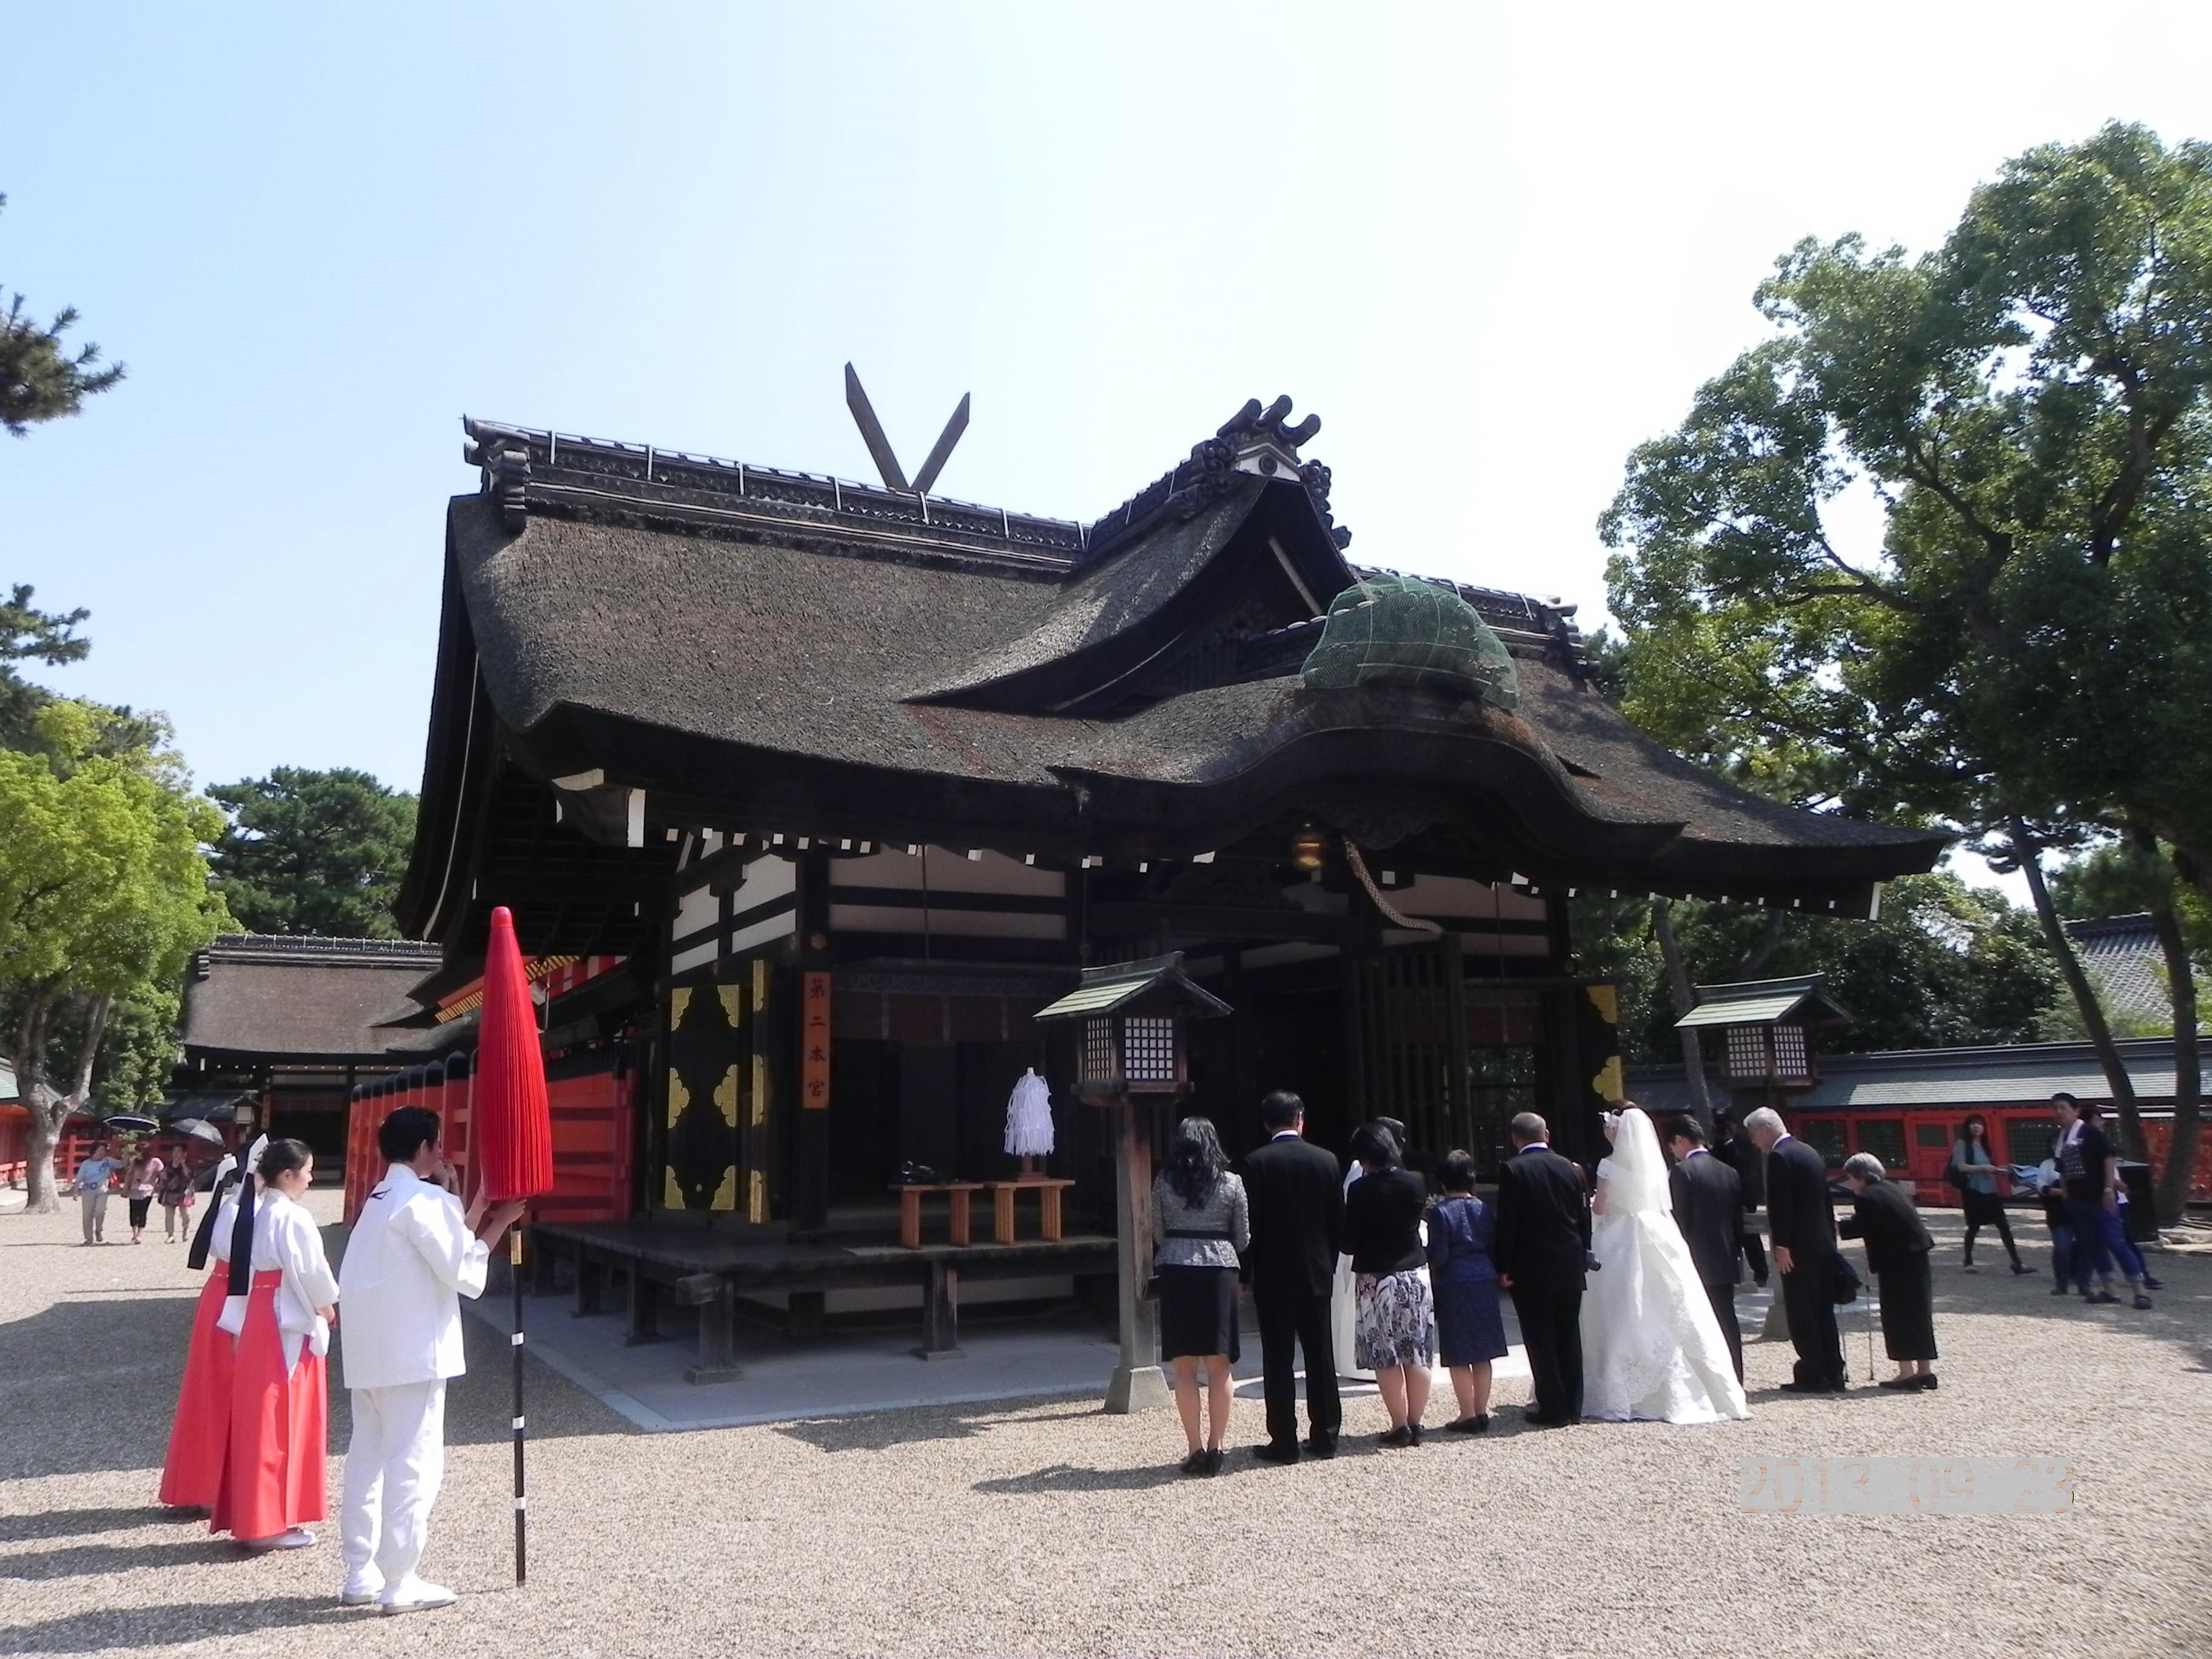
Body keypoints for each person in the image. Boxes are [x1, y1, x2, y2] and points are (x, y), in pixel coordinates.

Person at [338, 1106, 525, 1614]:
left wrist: (477, 1203)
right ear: (424, 1147)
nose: (442, 1152)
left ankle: (361, 1570)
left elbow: (441, 1249)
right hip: (412, 1351)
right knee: (413, 1462)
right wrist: (501, 1221)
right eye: (438, 1143)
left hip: (370, 1350)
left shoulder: (380, 1201)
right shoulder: (423, 1200)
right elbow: (463, 1272)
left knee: (368, 1458)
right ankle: (400, 1578)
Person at [210, 1138, 339, 1552]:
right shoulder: (292, 1217)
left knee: (260, 1413)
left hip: (260, 1310)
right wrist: (326, 1308)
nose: (311, 1178)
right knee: (279, 1416)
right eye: (307, 1171)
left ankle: (256, 1515)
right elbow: (310, 1271)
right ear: (288, 1175)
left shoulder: (259, 1212)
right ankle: (269, 1520)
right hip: (285, 1314)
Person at [1580, 1107, 1748, 1423]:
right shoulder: (1654, 1167)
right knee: (1673, 1305)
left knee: (1620, 1311)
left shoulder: (1609, 1165)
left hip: (1620, 1238)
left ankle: (1619, 1384)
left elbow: (1601, 1208)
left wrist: (1591, 1207)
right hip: (1658, 1233)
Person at [1241, 1090, 1344, 1464]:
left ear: (1267, 1123)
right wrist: (1329, 1262)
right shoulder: (1327, 1161)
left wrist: (1245, 1273)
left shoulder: (1256, 1163)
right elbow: (1337, 1223)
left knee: (1278, 1358)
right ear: (1300, 1118)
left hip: (1273, 1274)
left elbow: (1251, 1227)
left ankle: (1283, 1439)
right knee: (1321, 1355)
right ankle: (1326, 1435)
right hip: (1317, 1271)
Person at [1150, 1116, 1249, 1477]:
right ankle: (1216, 1446)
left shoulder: (1163, 1182)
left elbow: (1157, 1231)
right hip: (1219, 1270)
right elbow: (1244, 1237)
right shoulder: (1233, 1184)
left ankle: (1193, 1447)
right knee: (1220, 1366)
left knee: (1185, 1367)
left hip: (1177, 1269)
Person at [1491, 1111, 1589, 1427]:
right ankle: (1574, 1406)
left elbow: (1509, 1223)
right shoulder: (1571, 1168)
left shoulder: (1513, 1170)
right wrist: (1583, 1252)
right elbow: (1583, 1216)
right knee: (1569, 1334)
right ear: (1547, 1135)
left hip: (1531, 1265)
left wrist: (1503, 1265)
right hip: (1570, 1261)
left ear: (1515, 1139)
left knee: (1540, 1337)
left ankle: (1554, 1408)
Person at [1342, 1121, 1433, 1447]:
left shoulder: (1361, 1189)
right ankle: (1416, 1421)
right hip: (1415, 1273)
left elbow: (1349, 1242)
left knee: (1386, 1354)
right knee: (1416, 1350)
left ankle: (1398, 1424)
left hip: (1376, 1277)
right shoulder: (1416, 1182)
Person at [1745, 1106, 1846, 1393]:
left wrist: (1781, 1246)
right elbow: (1825, 1202)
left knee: (1802, 1311)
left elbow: (1781, 1208)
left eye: (1754, 1135)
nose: (1755, 1143)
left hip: (1798, 1247)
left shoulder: (1780, 1157)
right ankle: (1833, 1370)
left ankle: (1813, 1372)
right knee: (1823, 1309)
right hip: (1822, 1244)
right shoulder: (1809, 1152)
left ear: (1765, 1130)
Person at [159, 1176, 244, 1510]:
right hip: (238, 1296)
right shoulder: (250, 1210)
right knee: (226, 1391)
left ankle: (198, 1484)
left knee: (207, 1389)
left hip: (219, 1290)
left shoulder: (229, 1205)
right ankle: (214, 1488)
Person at [1838, 1153, 1939, 1389]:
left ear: (1861, 1177)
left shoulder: (1868, 1197)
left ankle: (1906, 1372)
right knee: (1920, 1313)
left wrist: (1838, 1223)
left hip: (1896, 1261)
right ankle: (1925, 1370)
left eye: (1851, 1178)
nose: (1850, 1184)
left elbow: (1862, 1225)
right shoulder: (1892, 1189)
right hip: (1917, 1256)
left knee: (1897, 1314)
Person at [1426, 1147, 1506, 1433]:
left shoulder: (1440, 1213)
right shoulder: (1484, 1209)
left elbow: (1440, 1255)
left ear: (1442, 1180)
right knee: (1483, 1352)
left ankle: (1467, 1413)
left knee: (1459, 1352)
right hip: (1483, 1278)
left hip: (1453, 1282)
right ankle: (1482, 1410)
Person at [1664, 1115, 1747, 1382]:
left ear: (1679, 1140)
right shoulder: (1728, 1171)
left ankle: (1707, 1380)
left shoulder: (1682, 1172)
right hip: (1725, 1256)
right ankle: (1735, 1376)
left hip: (1695, 1259)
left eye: (1672, 1146)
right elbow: (1737, 1223)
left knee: (1698, 1322)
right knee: (1727, 1320)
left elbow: (1681, 1221)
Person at [2056, 1094, 2152, 1310]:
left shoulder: (2090, 1133)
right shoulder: (2062, 1137)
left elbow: (2108, 1158)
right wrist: (2066, 1194)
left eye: (2063, 1108)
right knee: (2093, 1244)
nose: (2059, 1113)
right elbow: (2061, 1168)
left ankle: (2140, 1290)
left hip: (2099, 1198)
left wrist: (2108, 1189)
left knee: (2115, 1241)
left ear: (2075, 1110)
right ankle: (2110, 1288)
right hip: (2078, 1200)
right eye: (2056, 1109)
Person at [1948, 1114, 2027, 1275]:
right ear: (1967, 1127)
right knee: (1974, 1227)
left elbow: (1989, 1167)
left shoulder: (1985, 1146)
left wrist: (2001, 1169)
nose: (1977, 1127)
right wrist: (1984, 1168)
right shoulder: (1962, 1145)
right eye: (1973, 1124)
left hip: (1990, 1191)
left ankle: (2017, 1262)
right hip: (1973, 1191)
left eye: (1980, 1124)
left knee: (2004, 1226)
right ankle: (1968, 1261)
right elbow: (1960, 1167)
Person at [1711, 1113, 1768, 1287]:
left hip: (1745, 1196)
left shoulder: (1744, 1143)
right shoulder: (1716, 1147)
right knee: (1729, 1239)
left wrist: (1729, 1142)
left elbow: (1747, 1166)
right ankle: (1734, 1274)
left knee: (1750, 1238)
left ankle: (1761, 1273)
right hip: (1724, 1199)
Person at [72, 1142, 122, 1245]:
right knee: (88, 1215)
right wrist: (76, 1192)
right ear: (94, 1151)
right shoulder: (86, 1164)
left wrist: (127, 1154)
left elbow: (122, 1164)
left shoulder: (108, 1161)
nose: (102, 1153)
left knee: (101, 1211)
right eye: (100, 1150)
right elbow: (79, 1179)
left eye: (104, 1150)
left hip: (102, 1190)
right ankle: (88, 1238)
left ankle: (99, 1229)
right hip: (88, 1191)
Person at [124, 1145, 166, 1245]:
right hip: (134, 1189)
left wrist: (160, 1184)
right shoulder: (135, 1161)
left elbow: (162, 1173)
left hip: (148, 1190)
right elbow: (129, 1174)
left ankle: (139, 1235)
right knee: (133, 1212)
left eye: (140, 1152)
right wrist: (126, 1188)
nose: (138, 1154)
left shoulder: (155, 1162)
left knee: (142, 1212)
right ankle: (134, 1234)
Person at [156, 1151, 198, 1242]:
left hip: (183, 1192)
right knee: (169, 1215)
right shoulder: (169, 1164)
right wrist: (163, 1176)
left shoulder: (189, 1164)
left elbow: (189, 1175)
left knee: (185, 1215)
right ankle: (171, 1235)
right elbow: (164, 1176)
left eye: (179, 1152)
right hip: (170, 1191)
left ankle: (186, 1231)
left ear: (184, 1154)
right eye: (175, 1152)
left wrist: (183, 1163)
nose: (176, 1154)